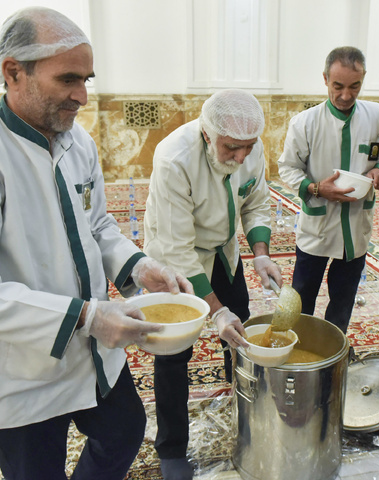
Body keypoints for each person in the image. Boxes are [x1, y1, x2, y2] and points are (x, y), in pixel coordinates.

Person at [0, 7, 193, 480]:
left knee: (125, 432)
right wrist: (84, 316)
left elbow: (99, 225)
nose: (82, 96)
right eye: (68, 79)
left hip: (95, 347)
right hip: (23, 366)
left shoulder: (77, 141)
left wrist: (139, 267)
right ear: (13, 72)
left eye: (86, 79)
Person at [143, 89, 281, 479]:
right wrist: (215, 310)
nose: (241, 157)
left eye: (248, 148)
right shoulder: (175, 158)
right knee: (172, 352)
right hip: (174, 258)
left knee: (240, 331)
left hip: (224, 251)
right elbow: (176, 248)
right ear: (208, 135)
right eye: (231, 148)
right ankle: (171, 447)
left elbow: (256, 201)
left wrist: (260, 252)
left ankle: (241, 403)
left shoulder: (250, 148)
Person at [277, 46, 379, 335]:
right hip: (318, 227)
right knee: (301, 297)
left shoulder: (377, 117)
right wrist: (316, 188)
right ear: (325, 79)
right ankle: (296, 346)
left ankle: (334, 347)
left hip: (355, 228)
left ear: (363, 79)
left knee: (343, 299)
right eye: (338, 86)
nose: (346, 95)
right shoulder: (306, 123)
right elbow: (287, 168)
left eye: (355, 86)